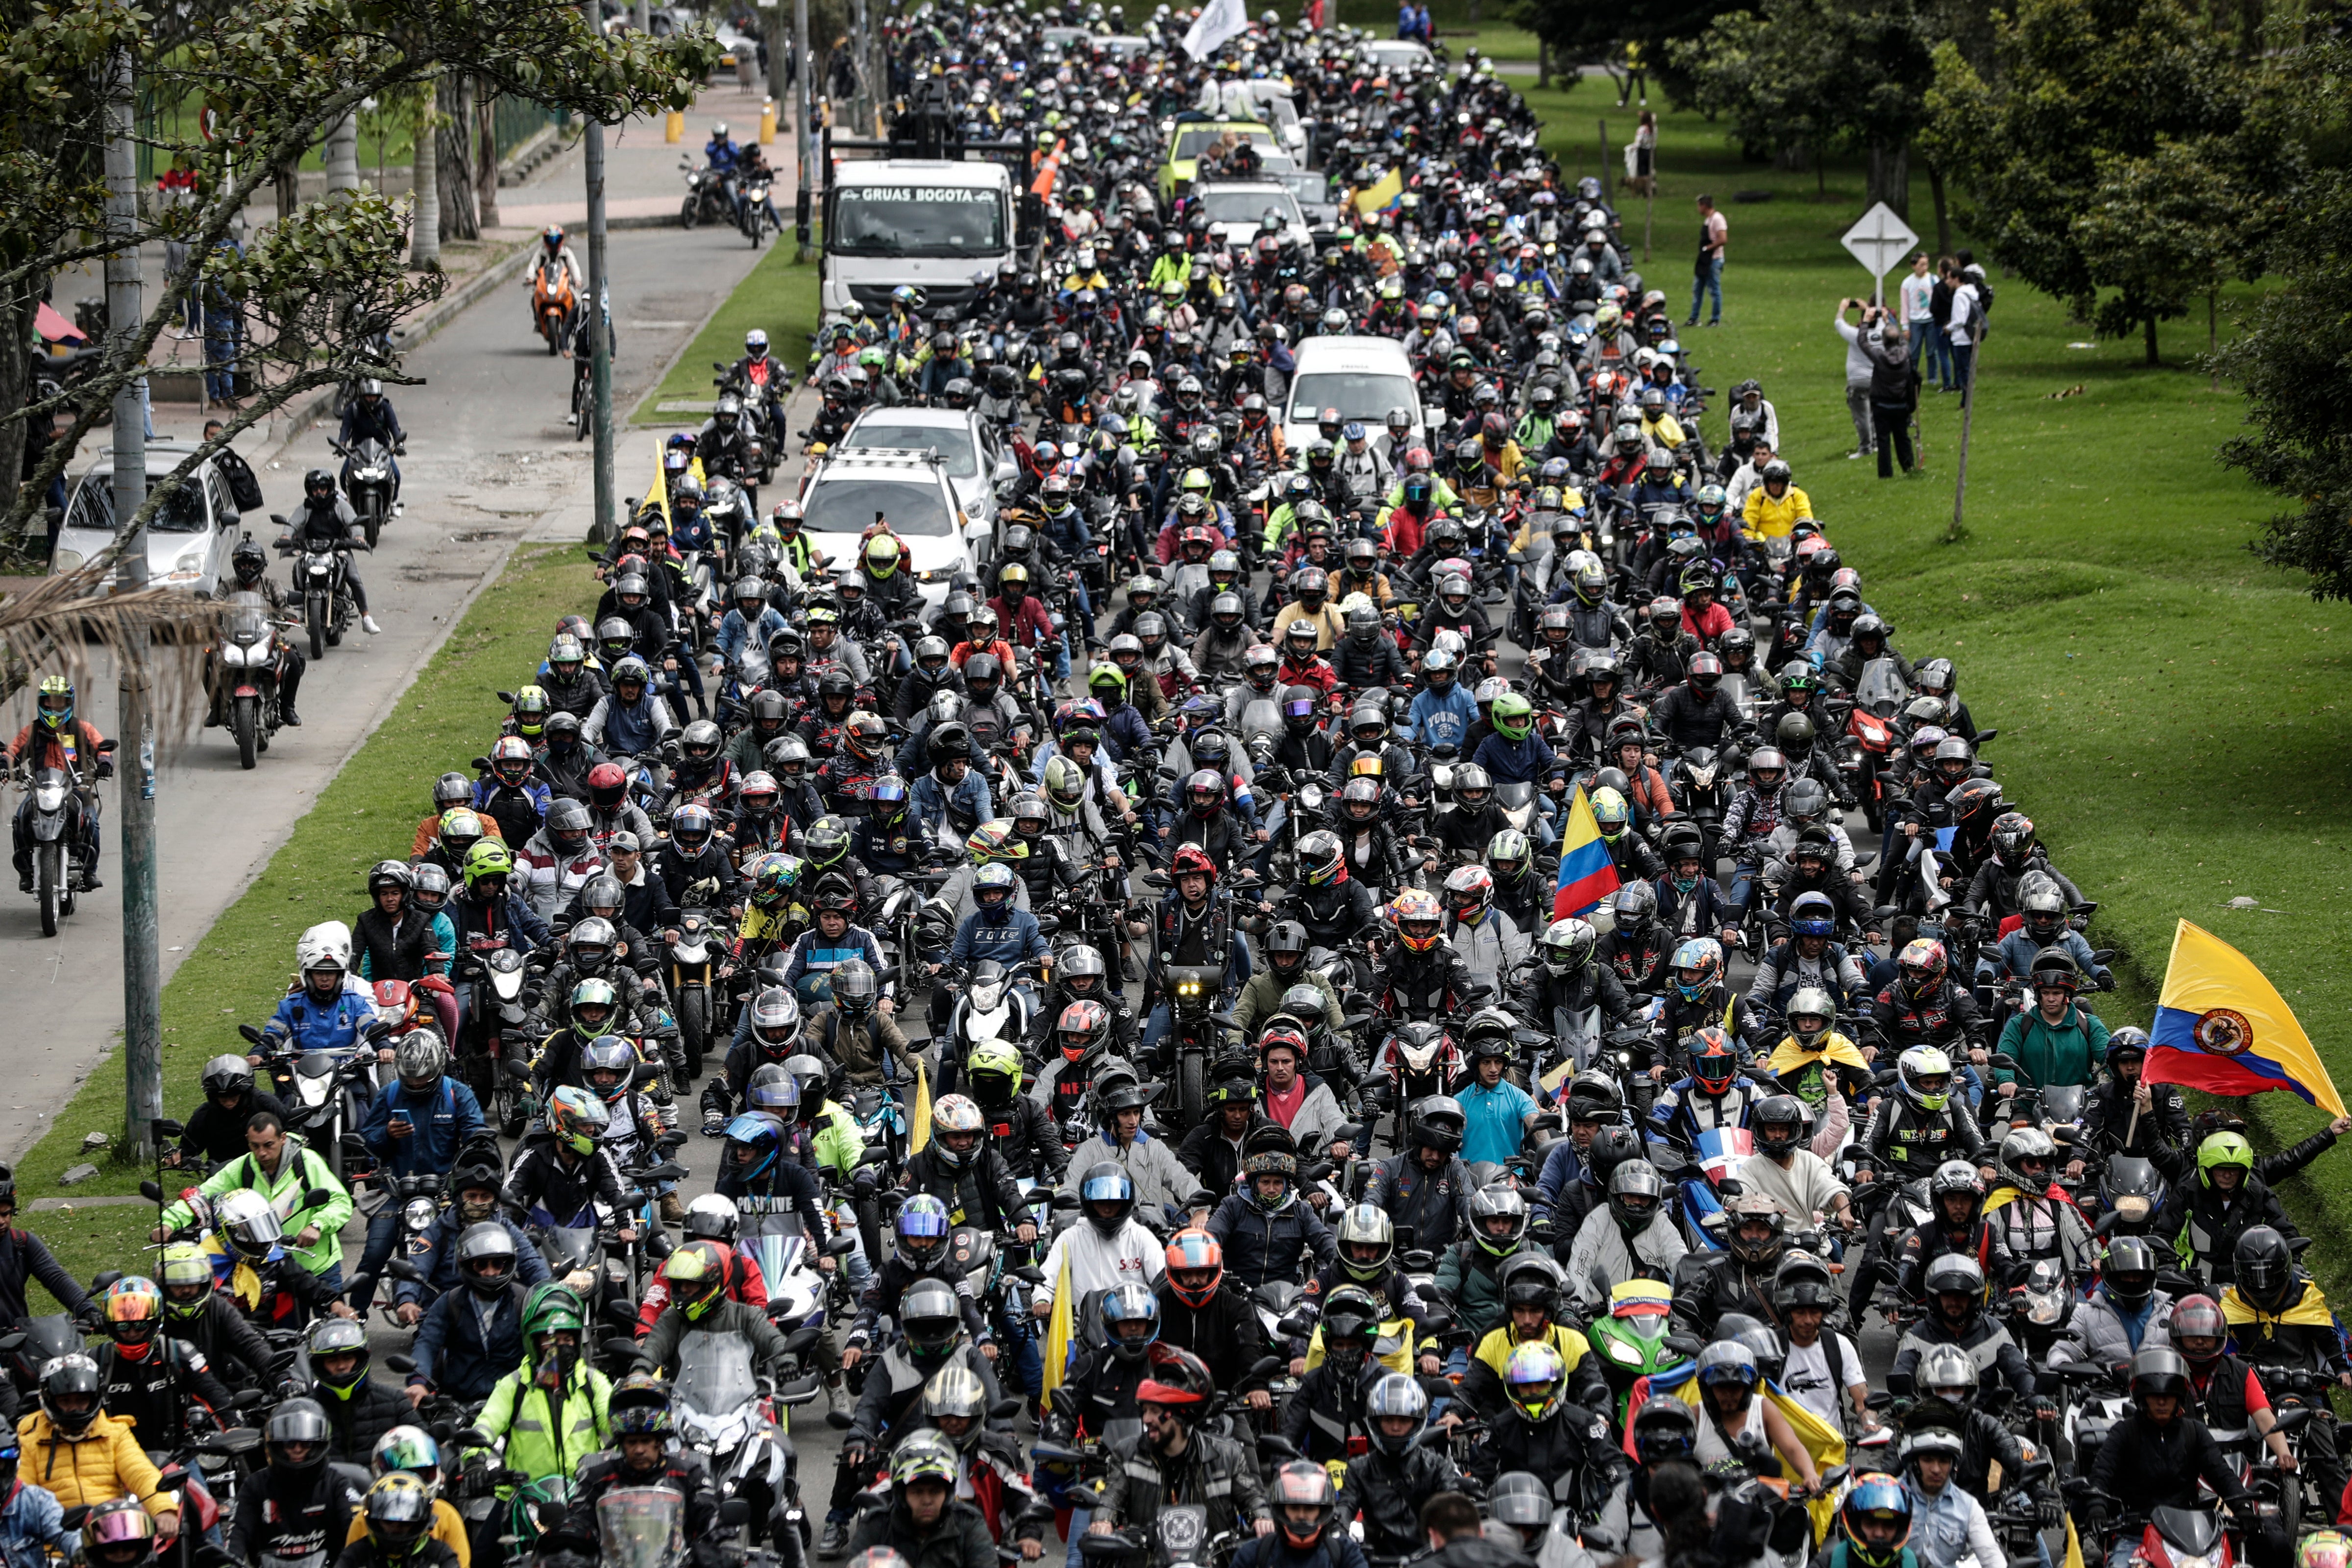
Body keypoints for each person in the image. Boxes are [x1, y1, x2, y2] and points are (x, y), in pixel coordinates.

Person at [2087, 1348, 2258, 1568]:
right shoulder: (2124, 1432)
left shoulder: (2195, 1432)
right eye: (2155, 1396)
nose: (2162, 1403)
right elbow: (2102, 1473)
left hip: (2191, 1535)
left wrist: (2242, 1505)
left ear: (2179, 1398)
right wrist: (2097, 1506)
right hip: (2135, 1534)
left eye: (2168, 1396)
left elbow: (2221, 1474)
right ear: (2143, 1397)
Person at [1088, 1346, 1271, 1543]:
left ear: (1179, 1415)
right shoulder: (1128, 1453)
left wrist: (1262, 1518)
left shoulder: (1227, 1455)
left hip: (1211, 1561)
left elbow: (1253, 1498)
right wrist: (1103, 1520)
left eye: (1154, 1411)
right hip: (1149, 1562)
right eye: (1145, 1410)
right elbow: (1111, 1497)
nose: (1147, 1419)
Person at [156, 1108, 352, 1286]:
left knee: (335, 1321)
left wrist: (317, 1225)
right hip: (274, 1270)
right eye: (255, 1146)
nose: (262, 1153)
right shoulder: (243, 1167)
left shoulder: (308, 1162)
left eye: (268, 1145)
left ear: (283, 1139)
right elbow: (201, 1196)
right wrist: (169, 1223)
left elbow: (341, 1202)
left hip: (318, 1266)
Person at [8, 675, 112, 892]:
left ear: (69, 703)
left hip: (76, 789)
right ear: (42, 702)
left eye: (60, 701)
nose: (54, 707)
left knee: (91, 822)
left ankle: (89, 871)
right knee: (20, 819)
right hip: (40, 789)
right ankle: (26, 872)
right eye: (50, 701)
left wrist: (104, 762)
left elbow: (102, 746)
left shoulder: (80, 729)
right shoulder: (32, 732)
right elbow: (13, 751)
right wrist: (4, 763)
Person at [228, 1401, 357, 1567]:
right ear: (277, 1445)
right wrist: (228, 1561)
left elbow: (356, 1529)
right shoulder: (255, 1485)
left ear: (319, 1444)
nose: (297, 1450)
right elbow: (237, 1532)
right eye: (290, 1444)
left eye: (306, 1444)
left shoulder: (337, 1483)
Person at [844, 1431, 996, 1568]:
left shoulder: (969, 1523)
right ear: (902, 1495)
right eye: (917, 1492)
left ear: (948, 1494)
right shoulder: (876, 1525)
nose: (927, 1500)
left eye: (935, 1492)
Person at [282, 466, 382, 633]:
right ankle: (304, 604)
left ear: (330, 488)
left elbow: (353, 523)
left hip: (338, 549)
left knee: (353, 577)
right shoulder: (306, 507)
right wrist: (286, 537)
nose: (319, 492)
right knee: (298, 569)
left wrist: (358, 537)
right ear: (310, 490)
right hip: (311, 550)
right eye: (315, 489)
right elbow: (293, 524)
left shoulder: (340, 505)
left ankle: (366, 618)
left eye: (323, 488)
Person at [1864, 316, 1915, 478]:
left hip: (1882, 405)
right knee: (1903, 438)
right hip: (1901, 405)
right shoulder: (1906, 354)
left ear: (1883, 341)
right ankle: (1909, 468)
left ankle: (1886, 474)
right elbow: (1902, 341)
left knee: (1883, 441)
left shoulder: (1880, 358)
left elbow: (1862, 343)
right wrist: (1888, 321)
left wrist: (1866, 322)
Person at [1834, 299, 1883, 462]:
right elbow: (1883, 321)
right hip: (1877, 380)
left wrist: (1842, 309)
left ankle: (1865, 448)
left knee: (1862, 416)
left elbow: (1839, 324)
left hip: (1858, 381)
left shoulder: (1857, 336)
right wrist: (1869, 309)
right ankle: (1876, 443)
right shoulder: (1883, 334)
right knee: (1874, 414)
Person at [1686, 195, 1724, 328]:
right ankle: (1694, 318)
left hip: (1714, 260)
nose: (1698, 209)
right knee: (1697, 289)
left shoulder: (1718, 219)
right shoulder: (1709, 219)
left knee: (1714, 290)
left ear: (1704, 206)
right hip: (1704, 260)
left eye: (1699, 206)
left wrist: (1709, 247)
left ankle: (1715, 319)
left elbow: (1723, 239)